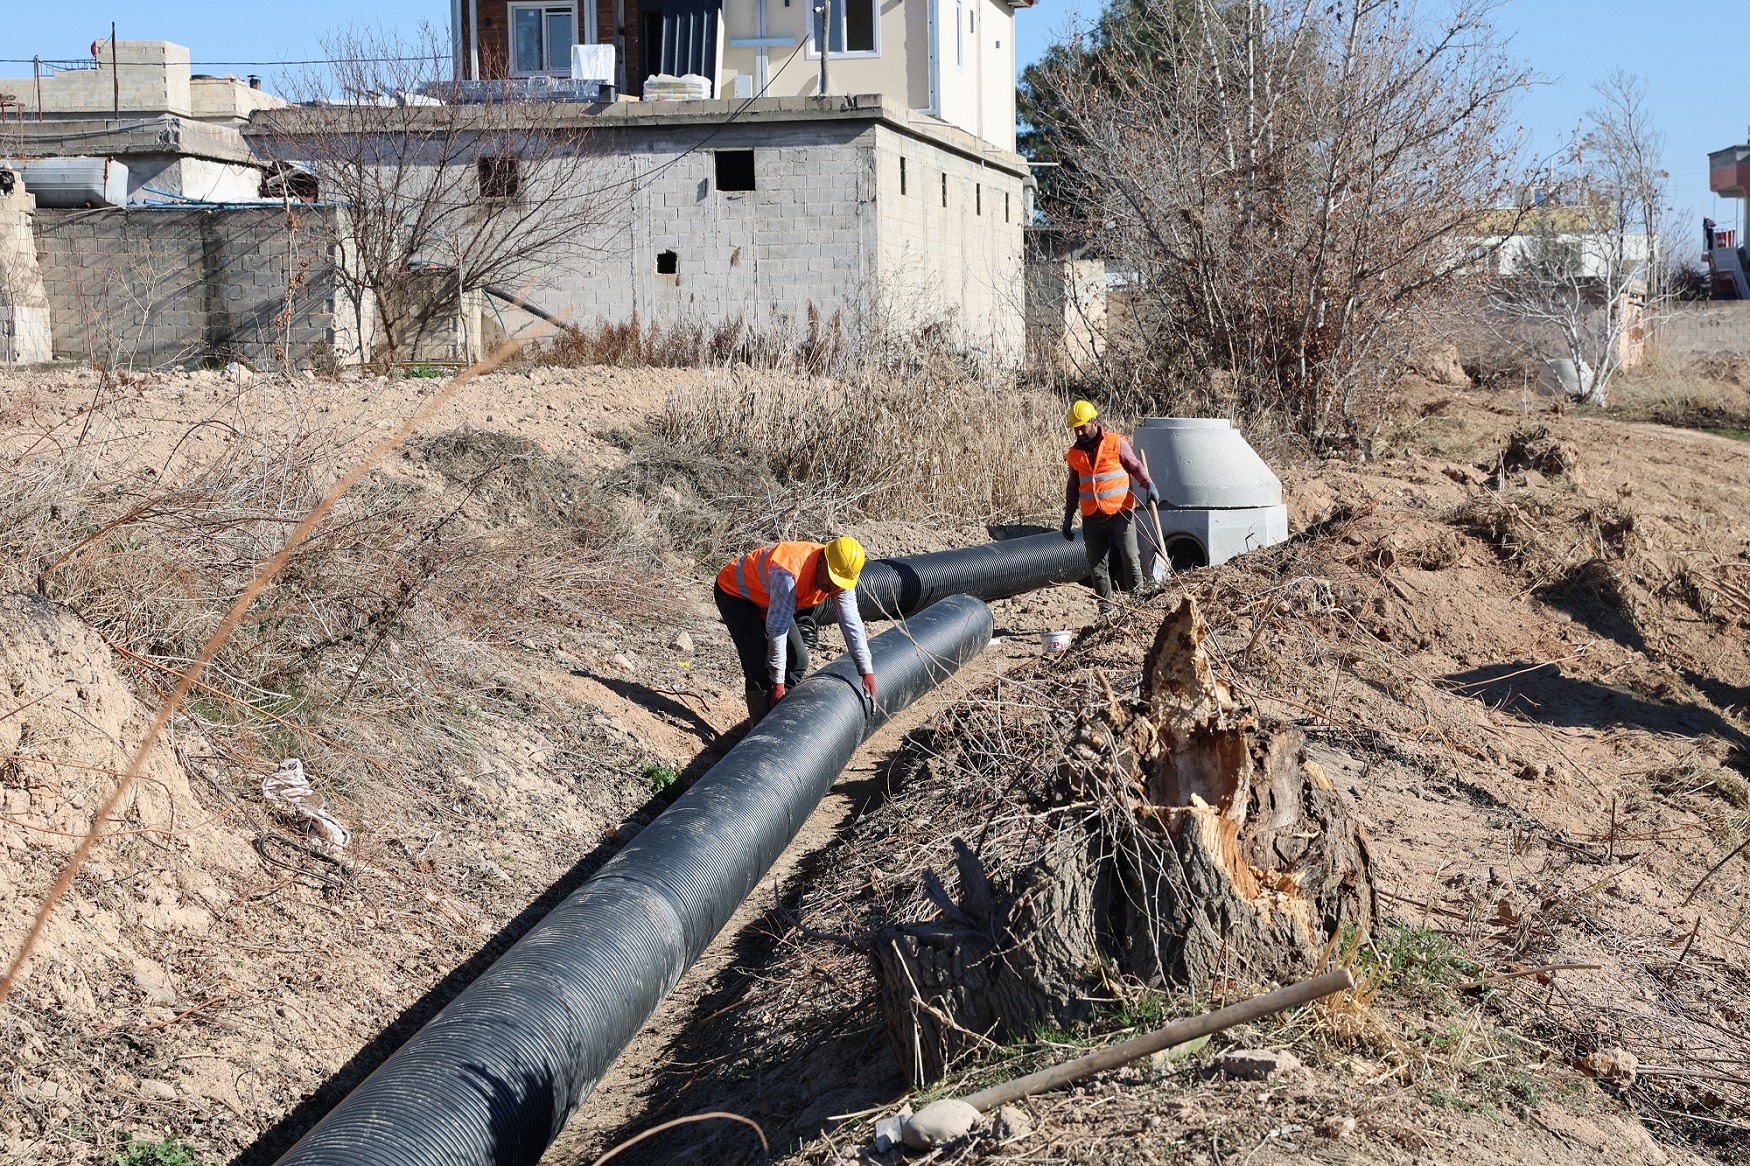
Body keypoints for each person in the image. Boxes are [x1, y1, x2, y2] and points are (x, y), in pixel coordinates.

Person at [714, 536, 877, 724]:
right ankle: (759, 730)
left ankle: (779, 719)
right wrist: (778, 683)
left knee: (798, 660)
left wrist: (866, 671)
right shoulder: (789, 571)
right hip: (736, 593)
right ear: (823, 560)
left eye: (839, 582)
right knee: (758, 664)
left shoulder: (842, 579)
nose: (833, 587)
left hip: (767, 597)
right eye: (833, 579)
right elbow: (778, 629)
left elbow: (851, 622)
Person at [1061, 399, 1159, 606]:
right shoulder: (1074, 454)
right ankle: (1106, 611)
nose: (1078, 433)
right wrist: (1069, 515)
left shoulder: (1116, 443)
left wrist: (1148, 484)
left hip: (1120, 514)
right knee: (1097, 568)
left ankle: (1137, 605)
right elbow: (1073, 486)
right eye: (1075, 429)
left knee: (1130, 558)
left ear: (1094, 422)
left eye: (1082, 427)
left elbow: (1135, 467)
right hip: (1092, 517)